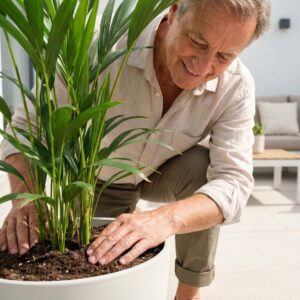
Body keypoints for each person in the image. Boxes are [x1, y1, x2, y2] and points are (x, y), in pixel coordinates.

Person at [0, 0, 270, 299]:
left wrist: (164, 220)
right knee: (88, 260)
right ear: (174, 11)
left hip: (162, 172)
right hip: (93, 179)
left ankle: (188, 294)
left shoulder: (236, 87)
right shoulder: (98, 44)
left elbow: (234, 181)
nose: (203, 66)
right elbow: (28, 129)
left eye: (223, 56)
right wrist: (25, 199)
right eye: (197, 41)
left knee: (203, 172)